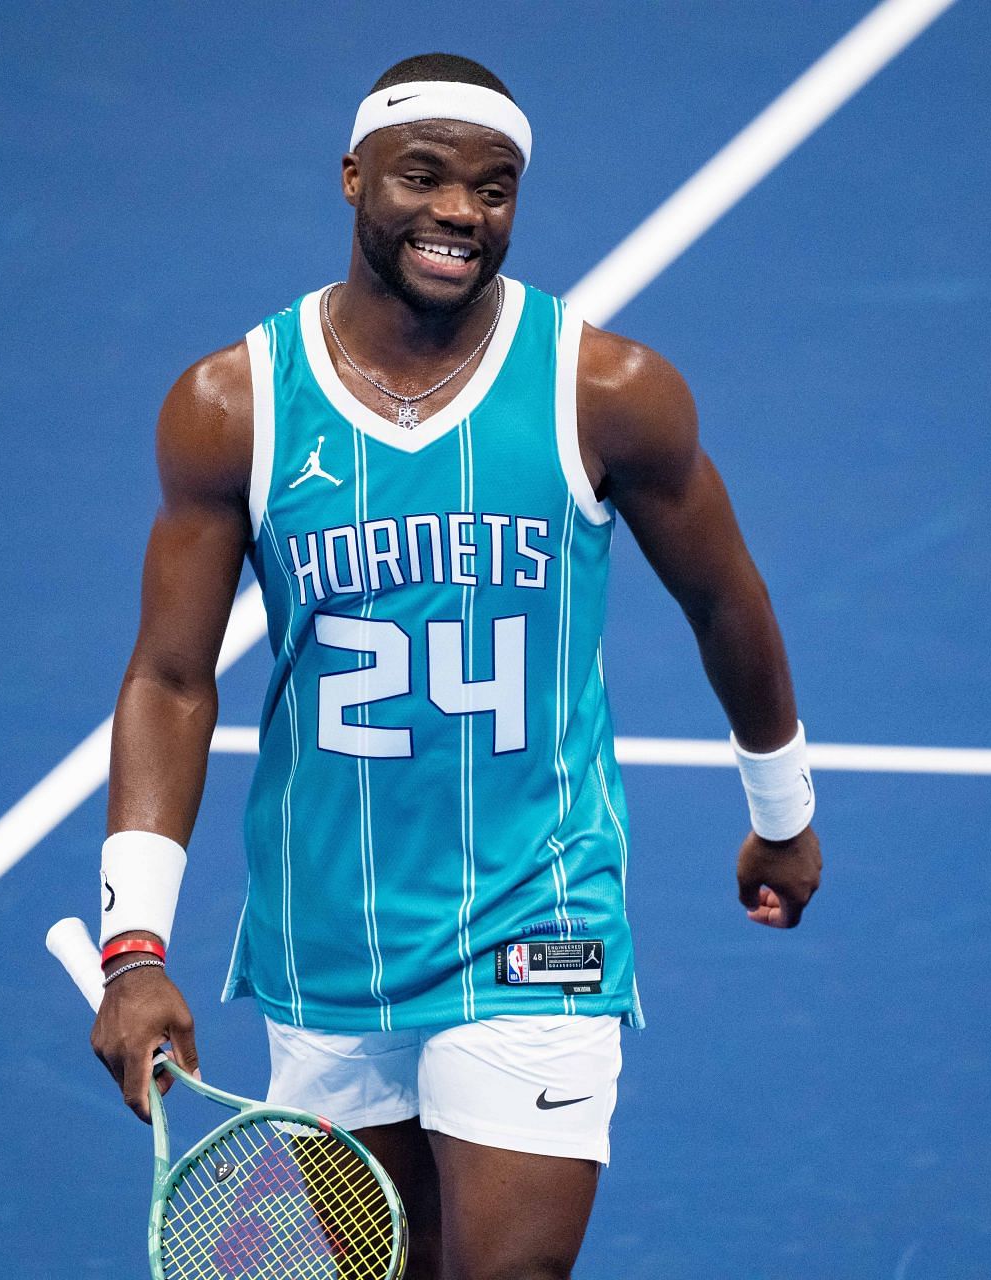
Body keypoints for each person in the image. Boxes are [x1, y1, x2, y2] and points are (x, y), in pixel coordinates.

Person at [88, 52, 822, 1280]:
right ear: (352, 178)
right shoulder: (232, 406)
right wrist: (138, 949)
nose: (459, 214)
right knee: (390, 1267)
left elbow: (722, 597)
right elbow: (170, 678)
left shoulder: (607, 391)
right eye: (422, 177)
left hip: (538, 912)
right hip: (331, 931)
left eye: (493, 189)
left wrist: (781, 811)